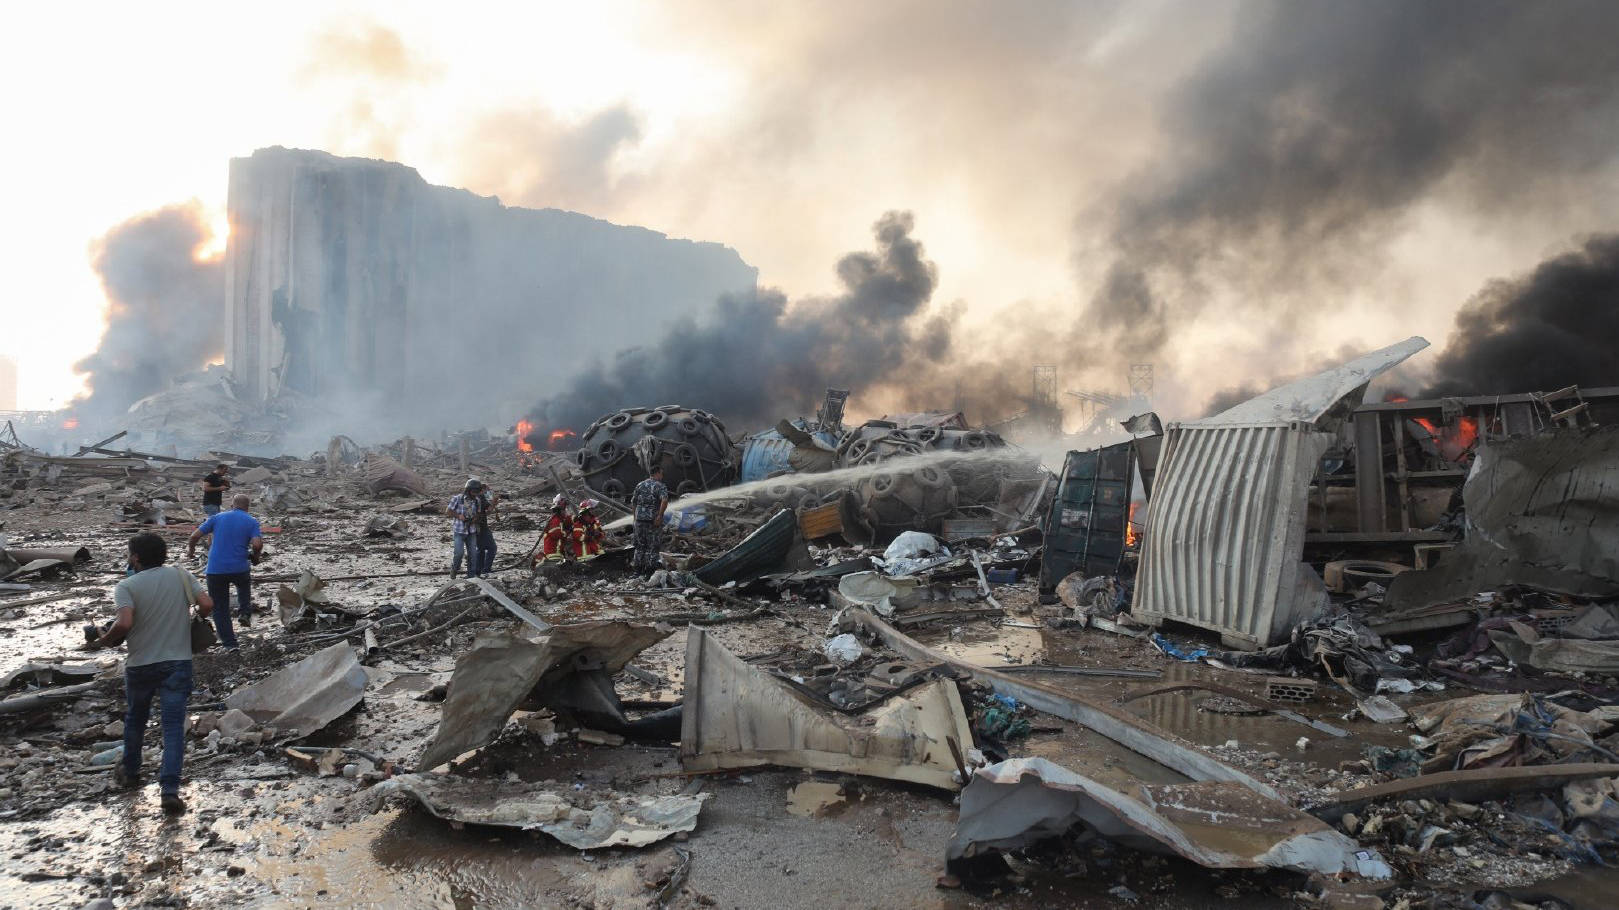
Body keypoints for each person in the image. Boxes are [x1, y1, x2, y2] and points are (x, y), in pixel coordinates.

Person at [86, 531, 213, 816]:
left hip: (141, 664)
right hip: (177, 662)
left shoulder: (126, 586)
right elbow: (207, 605)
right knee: (172, 727)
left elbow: (125, 622)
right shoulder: (181, 576)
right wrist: (192, 620)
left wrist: (105, 639)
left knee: (136, 720)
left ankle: (131, 772)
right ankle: (169, 790)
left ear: (135, 557)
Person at [186, 493, 263, 650]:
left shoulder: (216, 517)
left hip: (216, 570)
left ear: (232, 505)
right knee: (243, 585)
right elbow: (256, 544)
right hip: (239, 568)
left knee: (220, 608)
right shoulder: (251, 521)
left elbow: (194, 536)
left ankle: (230, 644)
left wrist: (191, 550)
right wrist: (255, 557)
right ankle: (244, 613)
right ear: (248, 508)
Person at [630, 465, 669, 573]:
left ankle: (637, 571)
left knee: (639, 547)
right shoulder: (660, 486)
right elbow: (664, 501)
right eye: (661, 473)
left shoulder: (640, 485)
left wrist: (635, 518)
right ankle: (650, 571)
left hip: (639, 521)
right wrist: (660, 516)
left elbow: (633, 502)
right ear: (656, 473)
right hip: (653, 521)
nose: (662, 476)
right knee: (653, 547)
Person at [446, 479, 485, 578]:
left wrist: (475, 518)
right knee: (459, 553)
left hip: (472, 531)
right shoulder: (457, 499)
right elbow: (448, 511)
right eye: (473, 492)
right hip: (459, 531)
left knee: (473, 555)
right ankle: (455, 568)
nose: (475, 494)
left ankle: (471, 576)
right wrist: (459, 516)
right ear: (468, 490)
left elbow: (479, 514)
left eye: (477, 492)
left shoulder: (478, 501)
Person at [473, 483, 500, 577]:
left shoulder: (474, 498)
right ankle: (485, 570)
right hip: (481, 527)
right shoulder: (480, 497)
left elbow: (487, 511)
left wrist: (493, 503)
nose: (488, 492)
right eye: (487, 490)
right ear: (482, 489)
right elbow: (489, 510)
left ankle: (478, 571)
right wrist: (494, 502)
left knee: (481, 549)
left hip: (475, 527)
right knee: (492, 548)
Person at [540, 494, 575, 562]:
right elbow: (557, 535)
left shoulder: (560, 519)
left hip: (558, 552)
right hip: (553, 553)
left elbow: (568, 520)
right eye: (564, 509)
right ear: (559, 510)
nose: (565, 511)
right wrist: (569, 531)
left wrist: (575, 519)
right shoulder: (555, 521)